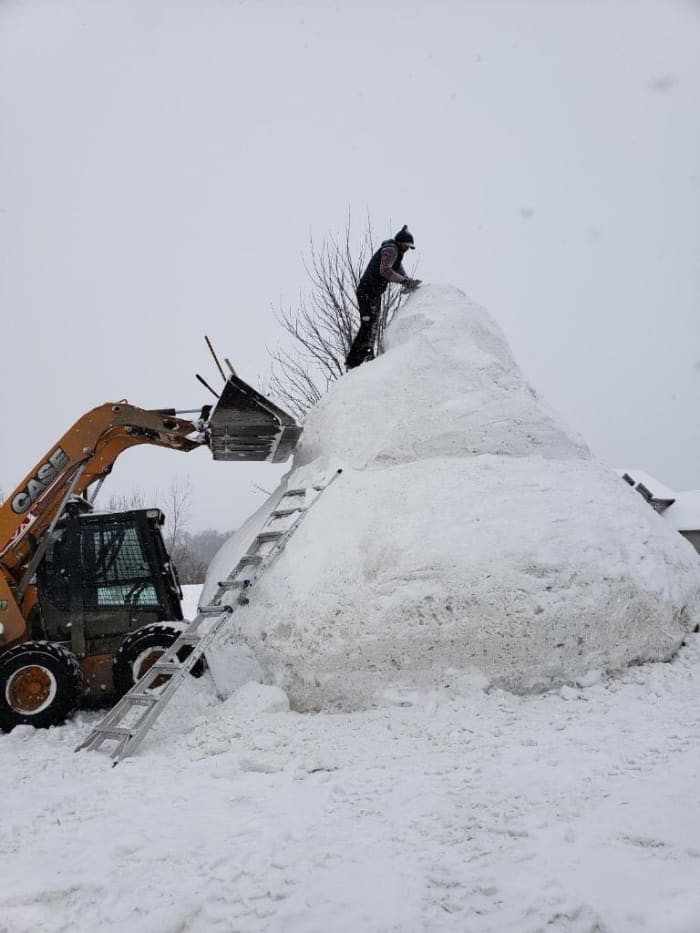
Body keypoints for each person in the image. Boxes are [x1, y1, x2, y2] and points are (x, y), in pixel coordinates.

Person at [345, 225, 421, 369]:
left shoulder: (396, 252)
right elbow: (385, 270)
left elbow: (397, 268)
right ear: (400, 243)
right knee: (368, 323)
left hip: (374, 292)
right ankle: (355, 360)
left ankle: (366, 354)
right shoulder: (391, 249)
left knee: (373, 323)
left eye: (409, 247)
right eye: (406, 246)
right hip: (367, 291)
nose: (407, 249)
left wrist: (407, 280)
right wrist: (405, 281)